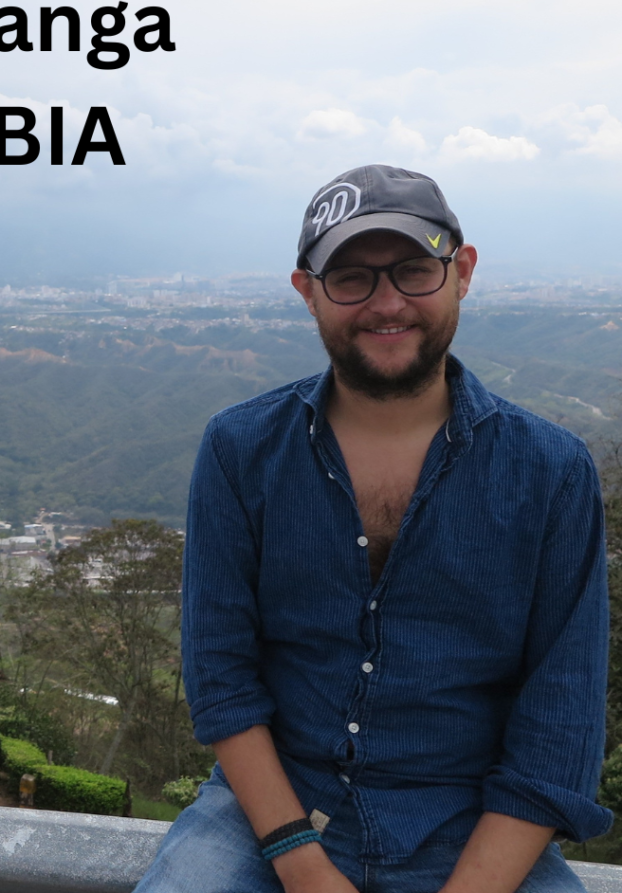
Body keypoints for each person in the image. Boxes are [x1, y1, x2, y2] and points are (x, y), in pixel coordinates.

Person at [134, 164, 611, 893]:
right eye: (352, 277)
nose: (387, 303)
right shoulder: (242, 450)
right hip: (272, 815)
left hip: (472, 826)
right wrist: (299, 860)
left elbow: (559, 721)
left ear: (463, 272)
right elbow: (221, 676)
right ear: (308, 292)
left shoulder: (551, 472)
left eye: (415, 271)